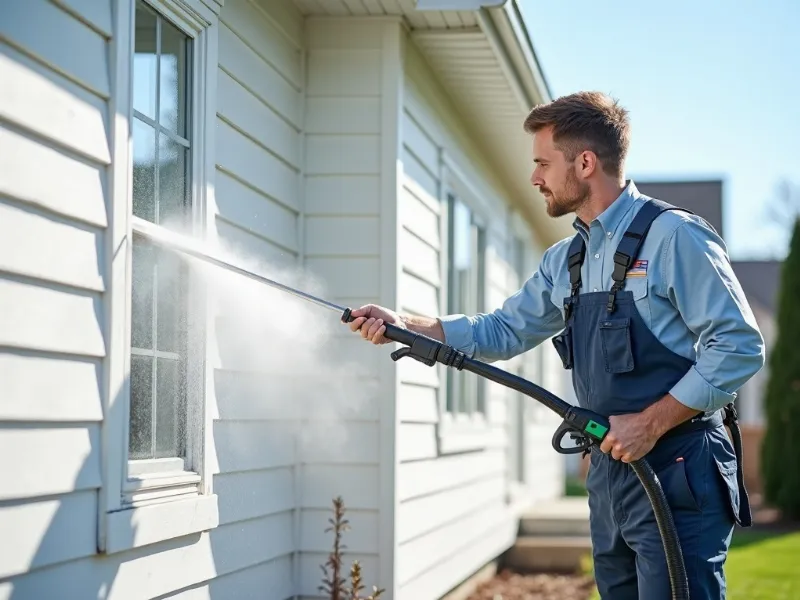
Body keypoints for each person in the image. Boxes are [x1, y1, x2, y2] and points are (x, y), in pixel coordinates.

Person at [346, 91, 765, 599]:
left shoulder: (675, 237)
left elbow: (738, 346)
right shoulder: (565, 260)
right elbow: (501, 330)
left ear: (585, 163)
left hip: (679, 472)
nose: (534, 177)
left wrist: (650, 424)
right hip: (611, 476)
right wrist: (406, 325)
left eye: (543, 163)